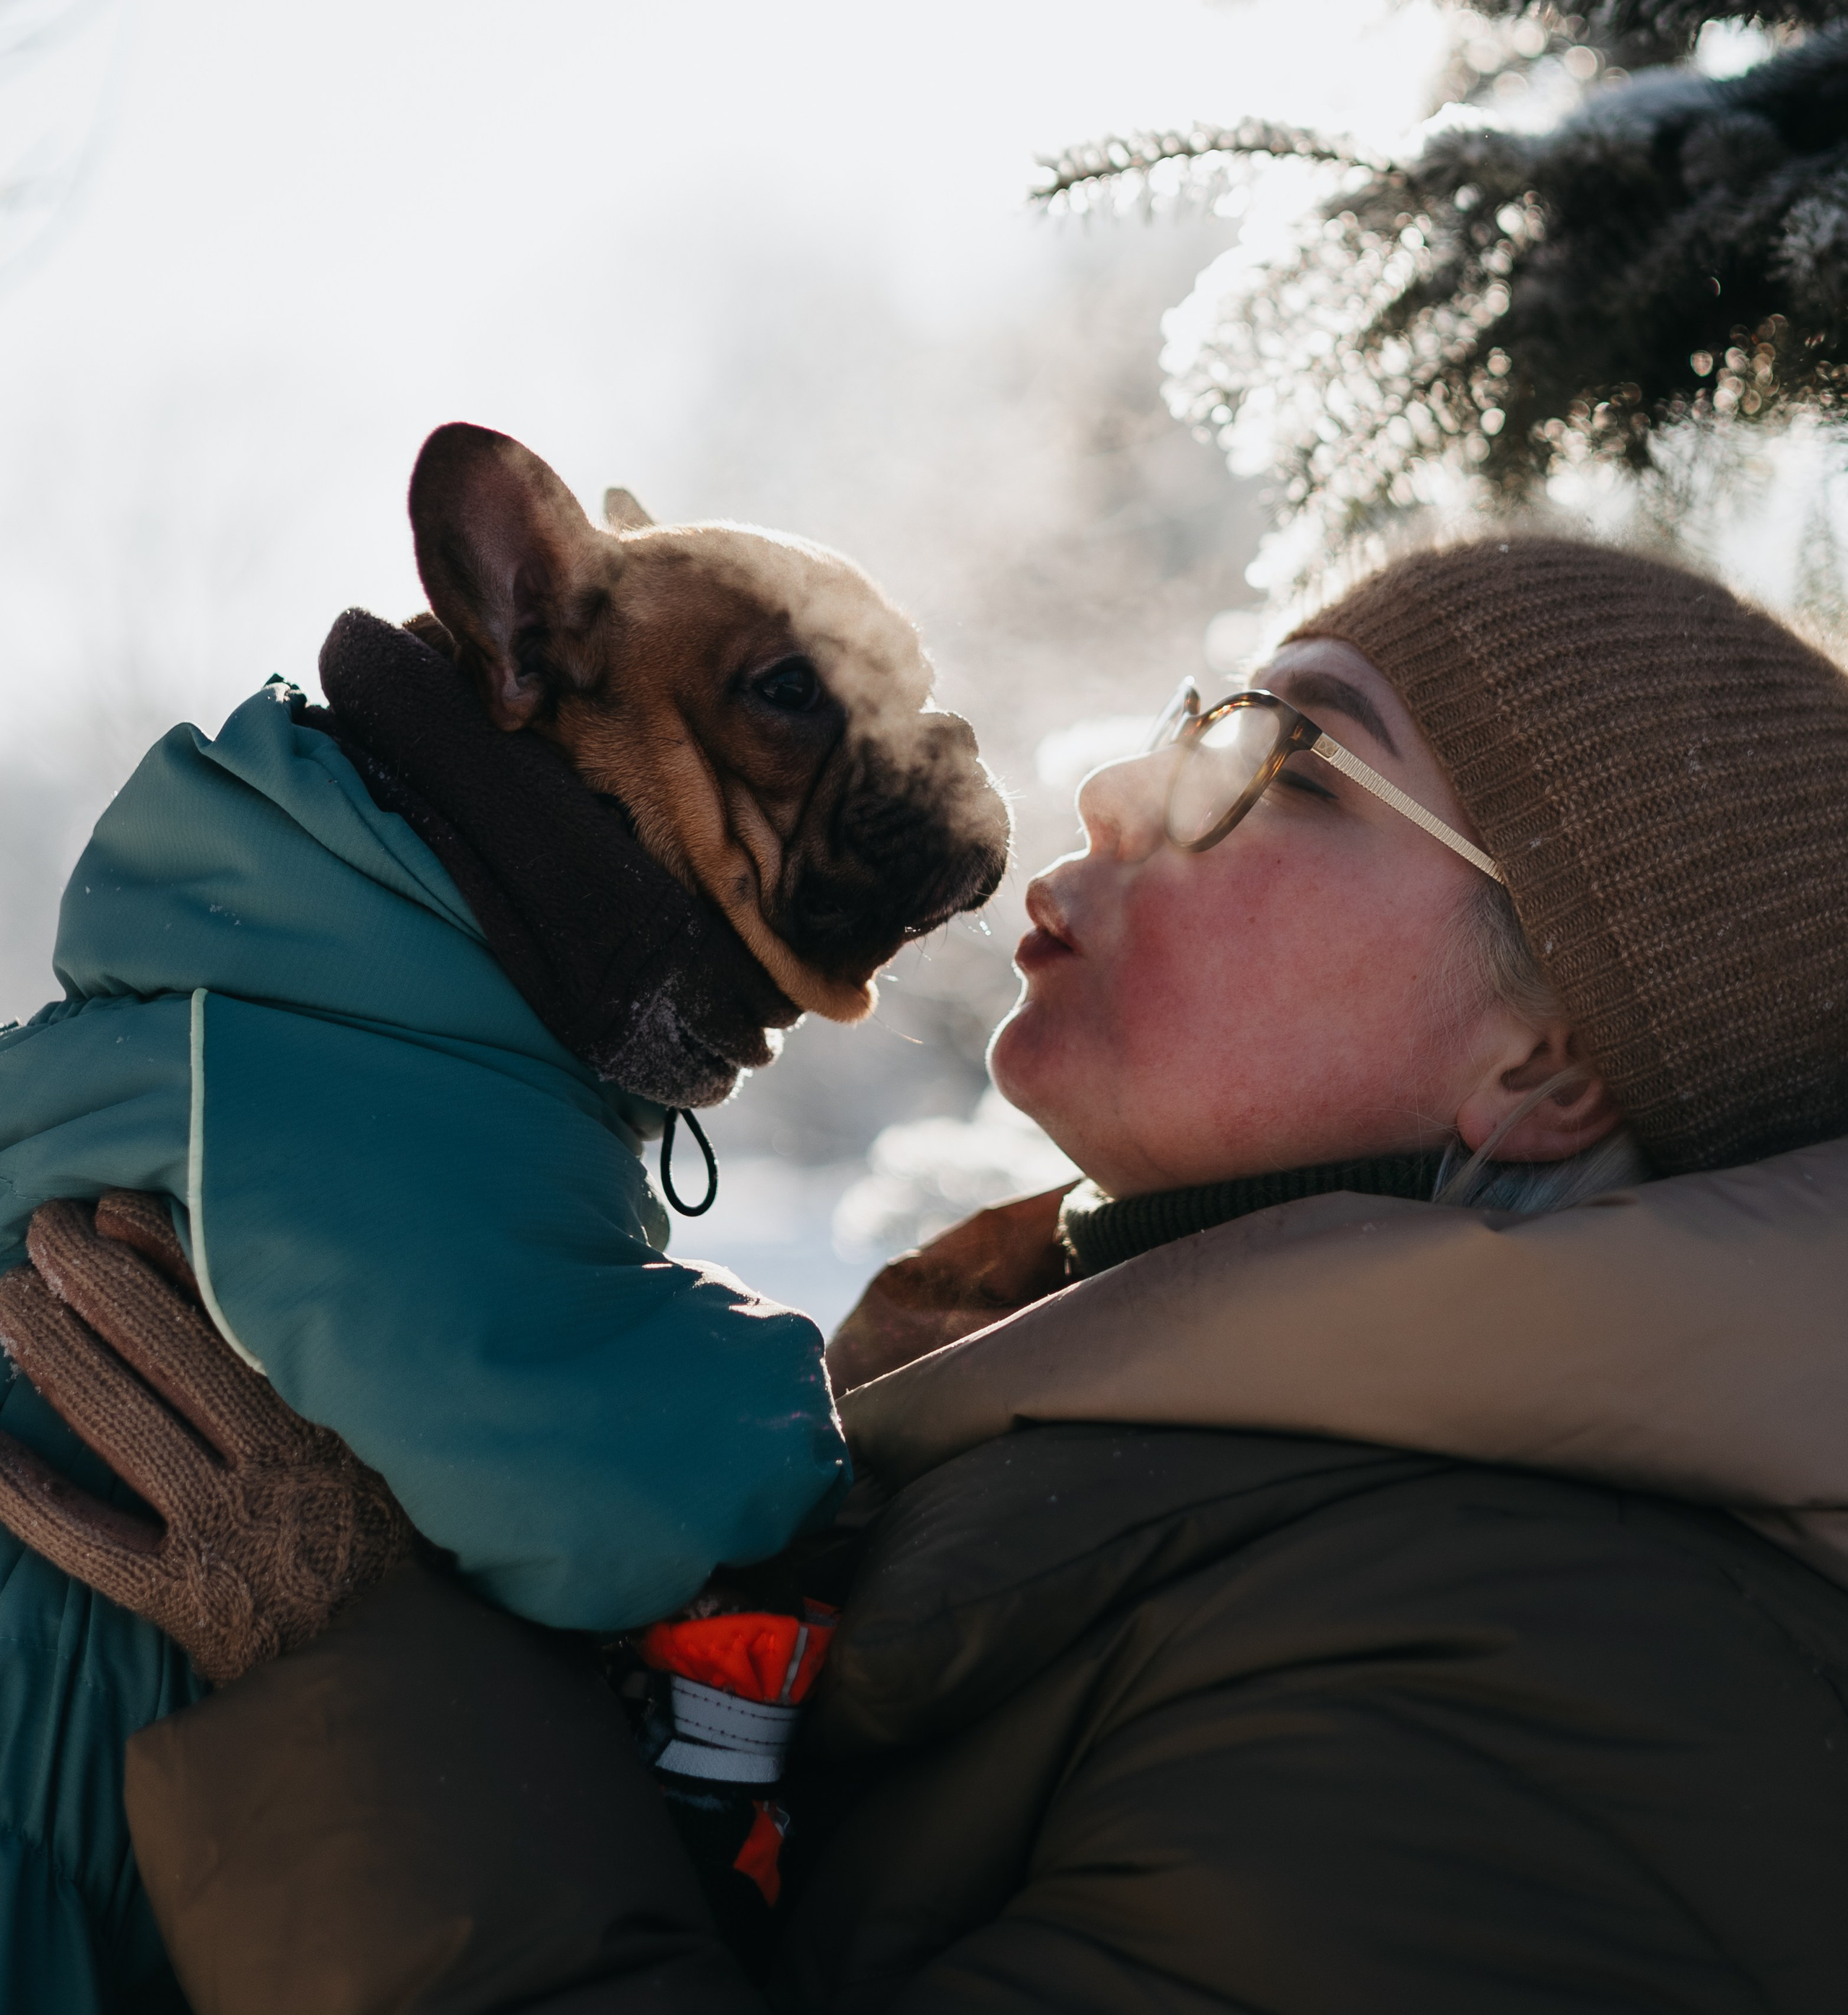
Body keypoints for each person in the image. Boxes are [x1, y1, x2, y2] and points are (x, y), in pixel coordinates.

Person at [9, 531, 1848, 2015]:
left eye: (1280, 764)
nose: (1119, 785)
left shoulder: (1549, 1679)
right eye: (1185, 717)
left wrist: (356, 1686)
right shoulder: (1092, 1437)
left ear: (1546, 1066)